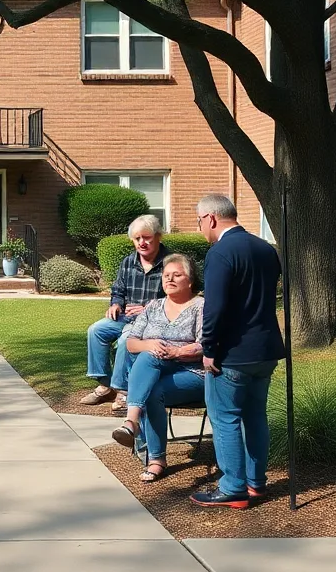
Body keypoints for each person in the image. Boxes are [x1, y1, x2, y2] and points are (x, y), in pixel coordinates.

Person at [191, 194, 284, 509]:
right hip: (266, 349)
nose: (201, 228)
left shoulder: (220, 253)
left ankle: (233, 487)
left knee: (225, 417)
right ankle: (256, 482)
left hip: (232, 354)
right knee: (256, 415)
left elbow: (214, 308)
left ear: (212, 218)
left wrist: (208, 348)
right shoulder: (266, 250)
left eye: (200, 221)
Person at [109, 254, 206, 482]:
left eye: (177, 275)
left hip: (192, 373)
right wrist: (149, 344)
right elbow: (132, 342)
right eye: (166, 275)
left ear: (190, 280)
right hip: (156, 371)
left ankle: (132, 424)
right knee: (148, 361)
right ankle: (156, 458)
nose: (169, 279)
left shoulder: (200, 306)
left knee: (149, 369)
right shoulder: (153, 306)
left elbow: (206, 345)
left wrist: (176, 352)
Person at [81, 215, 169, 416]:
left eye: (146, 237)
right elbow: (118, 290)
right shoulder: (128, 261)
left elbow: (175, 297)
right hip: (125, 317)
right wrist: (115, 304)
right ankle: (105, 385)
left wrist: (146, 307)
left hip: (152, 321)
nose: (142, 243)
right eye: (137, 239)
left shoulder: (170, 262)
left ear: (158, 236)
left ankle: (123, 391)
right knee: (96, 330)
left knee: (125, 340)